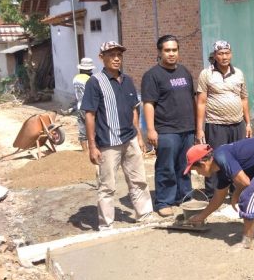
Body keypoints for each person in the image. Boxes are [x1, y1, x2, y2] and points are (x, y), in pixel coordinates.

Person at [81, 41, 153, 230]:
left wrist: (139, 135)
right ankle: (106, 225)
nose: (116, 58)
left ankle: (144, 215)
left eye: (119, 55)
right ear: (101, 57)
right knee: (107, 186)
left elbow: (134, 110)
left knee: (139, 180)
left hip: (129, 139)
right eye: (111, 54)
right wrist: (92, 145)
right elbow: (90, 114)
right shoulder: (95, 82)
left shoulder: (127, 80)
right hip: (108, 143)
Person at [184, 138, 254, 249]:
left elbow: (245, 182)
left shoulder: (221, 156)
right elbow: (218, 197)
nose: (198, 173)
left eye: (195, 170)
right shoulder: (220, 169)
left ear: (202, 163)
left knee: (248, 197)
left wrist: (236, 195)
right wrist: (201, 216)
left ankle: (246, 242)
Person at [141, 35, 197, 217]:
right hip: (166, 130)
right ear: (159, 52)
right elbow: (148, 103)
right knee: (166, 167)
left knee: (185, 165)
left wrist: (195, 126)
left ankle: (185, 196)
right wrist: (150, 129)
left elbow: (191, 98)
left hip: (187, 129)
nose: (171, 54)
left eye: (174, 50)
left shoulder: (184, 72)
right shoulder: (152, 76)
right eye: (167, 50)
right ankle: (164, 201)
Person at [196, 40, 252, 199]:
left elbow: (244, 99)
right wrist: (200, 129)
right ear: (215, 55)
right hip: (216, 124)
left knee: (238, 158)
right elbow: (201, 102)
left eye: (227, 53)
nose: (224, 57)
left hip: (237, 124)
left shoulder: (239, 73)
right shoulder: (206, 74)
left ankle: (237, 190)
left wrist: (248, 123)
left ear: (231, 54)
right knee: (216, 159)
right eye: (220, 53)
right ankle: (213, 193)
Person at [73, 57, 95, 151]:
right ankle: (95, 149)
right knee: (94, 130)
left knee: (82, 131)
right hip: (89, 108)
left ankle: (85, 152)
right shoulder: (90, 80)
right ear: (89, 69)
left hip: (79, 106)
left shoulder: (76, 78)